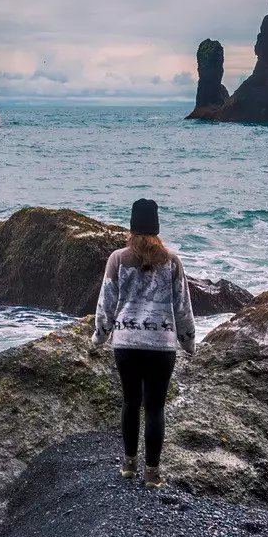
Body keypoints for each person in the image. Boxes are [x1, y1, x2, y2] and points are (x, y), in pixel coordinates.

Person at [92, 198, 195, 486]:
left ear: (132, 228)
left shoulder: (117, 259)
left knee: (130, 402)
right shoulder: (172, 262)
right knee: (155, 408)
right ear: (156, 229)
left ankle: (128, 465)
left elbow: (106, 302)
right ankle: (152, 473)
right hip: (161, 347)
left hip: (126, 345)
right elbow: (183, 307)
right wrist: (188, 342)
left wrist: (99, 337)